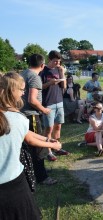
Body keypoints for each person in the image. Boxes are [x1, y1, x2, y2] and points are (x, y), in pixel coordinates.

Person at [0, 72, 62, 220]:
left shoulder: (14, 119)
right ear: (12, 91)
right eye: (22, 90)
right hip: (13, 186)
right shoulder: (17, 118)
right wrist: (52, 145)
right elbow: (29, 139)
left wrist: (48, 140)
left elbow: (26, 134)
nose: (23, 94)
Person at [21, 54, 58, 185]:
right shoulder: (35, 77)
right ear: (42, 65)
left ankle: (32, 172)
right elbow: (32, 99)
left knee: (26, 148)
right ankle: (42, 177)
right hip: (31, 115)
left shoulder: (22, 74)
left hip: (21, 115)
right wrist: (44, 109)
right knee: (37, 147)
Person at [40, 50, 69, 162]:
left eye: (59, 62)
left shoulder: (58, 69)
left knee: (58, 127)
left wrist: (62, 73)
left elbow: (64, 87)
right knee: (49, 128)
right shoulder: (43, 71)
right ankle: (48, 151)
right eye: (55, 61)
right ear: (49, 60)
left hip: (59, 102)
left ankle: (57, 148)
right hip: (48, 103)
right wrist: (49, 83)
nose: (57, 63)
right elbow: (39, 87)